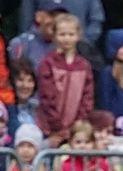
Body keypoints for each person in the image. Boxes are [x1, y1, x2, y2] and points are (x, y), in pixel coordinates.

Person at [36, 13, 94, 147]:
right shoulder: (48, 63)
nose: (66, 38)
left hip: (76, 130)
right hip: (50, 127)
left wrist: (77, 124)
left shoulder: (84, 65)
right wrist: (57, 126)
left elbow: (88, 97)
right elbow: (46, 96)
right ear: (54, 35)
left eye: (71, 34)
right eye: (62, 34)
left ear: (78, 35)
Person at [7, 1, 59, 71]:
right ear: (38, 17)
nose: (55, 20)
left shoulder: (65, 44)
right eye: (51, 15)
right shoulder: (20, 43)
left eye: (60, 16)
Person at [8, 58, 41, 136]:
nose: (25, 85)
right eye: (20, 80)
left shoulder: (38, 109)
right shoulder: (6, 110)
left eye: (30, 81)